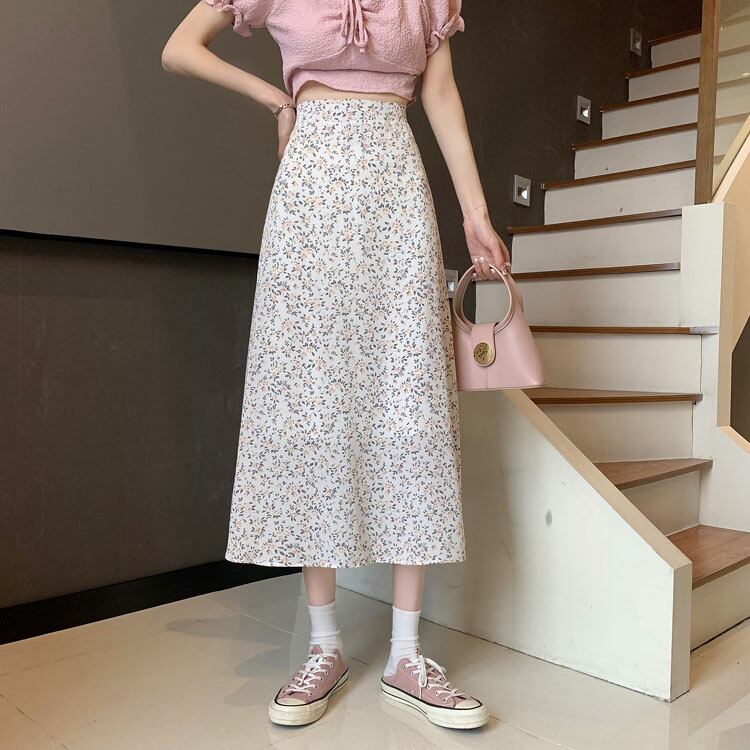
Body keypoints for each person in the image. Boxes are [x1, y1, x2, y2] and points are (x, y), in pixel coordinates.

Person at [162, 0, 509, 731]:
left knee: (411, 407)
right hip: (311, 197)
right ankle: (324, 645)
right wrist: (275, 98)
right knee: (311, 406)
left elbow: (441, 93)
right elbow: (180, 47)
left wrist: (475, 213)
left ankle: (407, 655)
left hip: (396, 194)